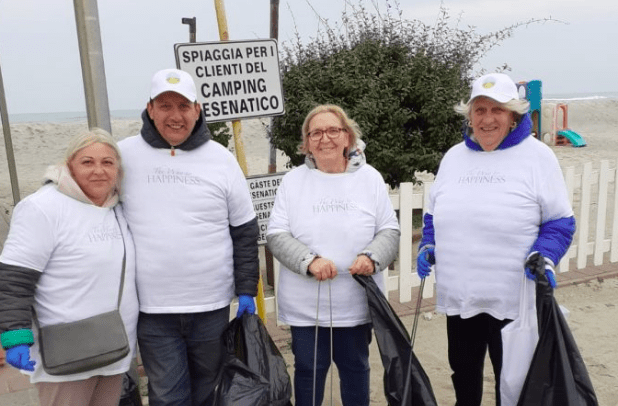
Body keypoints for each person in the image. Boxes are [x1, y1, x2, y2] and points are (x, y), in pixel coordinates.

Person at [416, 73, 576, 406]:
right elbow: (433, 213)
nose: (487, 119)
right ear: (470, 116)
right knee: (463, 374)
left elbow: (560, 221)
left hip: (514, 298)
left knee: (514, 382)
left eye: (497, 110)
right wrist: (428, 243)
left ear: (513, 115)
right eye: (479, 110)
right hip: (461, 296)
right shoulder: (453, 157)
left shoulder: (537, 157)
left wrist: (543, 255)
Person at [117, 68, 259, 406]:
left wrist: (245, 289)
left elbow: (244, 230)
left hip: (210, 305)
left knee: (210, 391)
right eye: (165, 106)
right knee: (167, 395)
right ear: (150, 109)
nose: (175, 116)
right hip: (151, 308)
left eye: (183, 106)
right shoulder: (123, 155)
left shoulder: (222, 159)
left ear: (197, 109)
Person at [267, 104, 400, 406]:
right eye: (315, 133)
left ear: (348, 137)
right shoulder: (293, 181)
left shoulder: (370, 178)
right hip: (306, 310)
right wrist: (309, 260)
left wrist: (371, 256)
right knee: (309, 371)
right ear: (306, 143)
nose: (324, 138)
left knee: (355, 370)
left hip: (354, 305)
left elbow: (389, 230)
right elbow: (276, 234)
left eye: (333, 130)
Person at [0, 129, 138, 406]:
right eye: (87, 162)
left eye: (107, 162)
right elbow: (14, 279)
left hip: (114, 350)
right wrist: (15, 334)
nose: (98, 171)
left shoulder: (116, 208)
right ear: (68, 165)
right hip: (65, 357)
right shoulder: (42, 208)